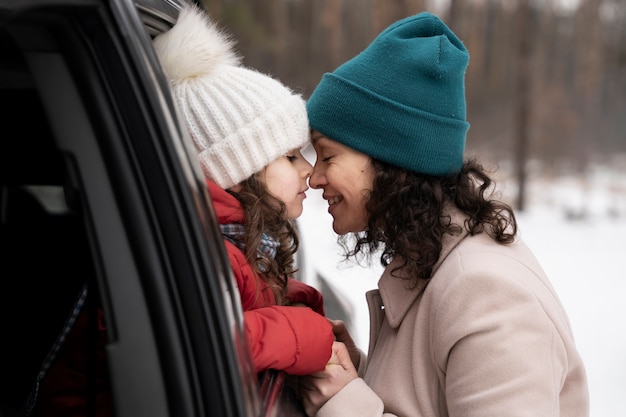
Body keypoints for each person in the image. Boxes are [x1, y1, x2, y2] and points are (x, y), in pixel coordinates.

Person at [298, 11, 589, 417]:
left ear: (389, 160)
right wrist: (357, 375)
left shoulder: (488, 294)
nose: (313, 178)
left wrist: (345, 404)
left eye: (327, 155)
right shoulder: (431, 257)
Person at [152, 4, 333, 376]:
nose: (308, 170)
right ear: (237, 170)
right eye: (290, 156)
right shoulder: (207, 254)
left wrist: (293, 299)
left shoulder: (238, 244)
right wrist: (304, 332)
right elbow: (203, 344)